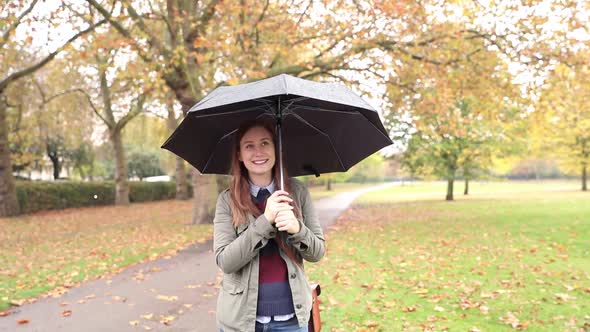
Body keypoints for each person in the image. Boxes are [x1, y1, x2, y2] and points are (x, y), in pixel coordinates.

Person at [214, 117, 325, 332]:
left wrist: (297, 229)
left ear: (276, 148)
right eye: (249, 146)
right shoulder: (227, 201)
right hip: (241, 321)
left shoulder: (298, 193)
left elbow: (317, 252)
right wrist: (265, 221)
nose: (258, 152)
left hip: (292, 321)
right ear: (239, 154)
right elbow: (225, 261)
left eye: (265, 143)